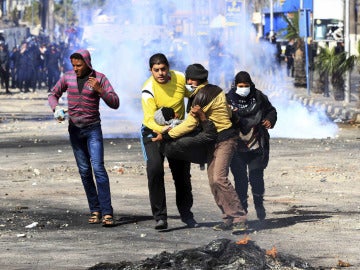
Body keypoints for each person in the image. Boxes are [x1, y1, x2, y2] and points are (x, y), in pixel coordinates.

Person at [158, 63, 248, 233]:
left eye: (188, 79)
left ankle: (239, 217)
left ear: (192, 80)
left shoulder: (202, 96)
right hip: (213, 141)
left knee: (219, 178)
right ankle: (227, 218)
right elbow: (227, 112)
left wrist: (168, 135)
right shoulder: (215, 90)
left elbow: (190, 124)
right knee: (213, 182)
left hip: (224, 139)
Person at [48, 49, 119, 227]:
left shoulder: (99, 78)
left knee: (98, 169)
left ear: (87, 64)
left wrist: (100, 90)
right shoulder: (67, 78)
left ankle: (107, 212)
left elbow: (115, 102)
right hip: (75, 130)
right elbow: (52, 94)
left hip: (93, 129)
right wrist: (56, 108)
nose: (76, 68)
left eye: (79, 65)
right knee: (85, 171)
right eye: (73, 65)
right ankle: (95, 209)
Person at [140, 53, 198, 230]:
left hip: (177, 131)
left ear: (168, 68)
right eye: (156, 70)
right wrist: (164, 130)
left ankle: (186, 215)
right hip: (153, 132)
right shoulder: (148, 89)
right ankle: (160, 217)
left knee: (182, 174)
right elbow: (149, 119)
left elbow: (193, 92)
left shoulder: (179, 78)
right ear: (150, 71)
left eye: (163, 69)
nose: (160, 73)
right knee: (155, 170)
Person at [226, 71, 277, 220]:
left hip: (256, 145)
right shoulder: (228, 99)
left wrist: (269, 120)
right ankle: (242, 212)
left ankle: (259, 203)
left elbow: (271, 111)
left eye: (246, 86)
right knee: (240, 180)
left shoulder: (259, 97)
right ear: (235, 86)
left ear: (251, 85)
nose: (243, 88)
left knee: (256, 177)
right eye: (240, 86)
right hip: (236, 148)